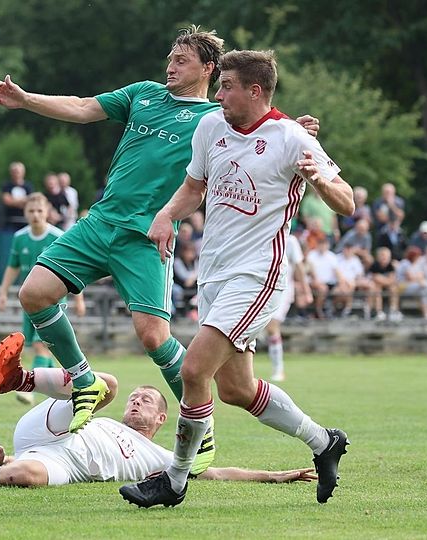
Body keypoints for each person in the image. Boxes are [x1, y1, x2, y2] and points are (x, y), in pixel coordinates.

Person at [0, 26, 321, 444]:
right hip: (100, 222)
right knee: (34, 293)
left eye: (181, 60)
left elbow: (260, 120)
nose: (170, 67)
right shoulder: (142, 94)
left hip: (147, 236)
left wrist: (292, 127)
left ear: (208, 69)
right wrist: (26, 100)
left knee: (154, 337)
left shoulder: (214, 118)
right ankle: (85, 381)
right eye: (170, 59)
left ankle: (201, 432)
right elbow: (83, 106)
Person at [119, 49, 352, 509]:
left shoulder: (290, 137)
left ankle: (175, 480)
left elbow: (346, 201)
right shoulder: (211, 127)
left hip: (257, 274)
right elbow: (194, 187)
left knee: (192, 370)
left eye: (226, 86)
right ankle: (324, 441)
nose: (218, 95)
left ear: (255, 90)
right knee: (236, 391)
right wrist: (166, 215)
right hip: (214, 275)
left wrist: (321, 183)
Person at [0, 365, 316, 489]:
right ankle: (22, 379)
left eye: (147, 401)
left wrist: (277, 475)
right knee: (107, 385)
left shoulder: (165, 458)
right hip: (58, 428)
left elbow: (216, 472)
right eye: (137, 400)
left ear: (162, 420)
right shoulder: (100, 418)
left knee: (22, 476)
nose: (137, 402)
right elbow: (109, 395)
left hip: (60, 462)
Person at [0, 194, 84, 404]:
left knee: (40, 345)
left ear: (47, 212)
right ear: (25, 213)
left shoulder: (57, 236)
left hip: (53, 301)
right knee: (44, 348)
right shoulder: (20, 237)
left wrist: (79, 299)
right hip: (29, 302)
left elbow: (72, 268)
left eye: (39, 211)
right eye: (31, 211)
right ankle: (62, 392)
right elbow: (13, 266)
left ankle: (29, 389)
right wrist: (3, 292)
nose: (35, 215)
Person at [265, 232, 310, 381]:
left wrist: (306, 291)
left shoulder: (291, 241)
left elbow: (299, 267)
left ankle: (278, 369)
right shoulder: (264, 234)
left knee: (272, 326)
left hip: (282, 289)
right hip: (263, 287)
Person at [306, 238, 340, 319]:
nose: (323, 247)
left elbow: (337, 271)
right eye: (321, 244)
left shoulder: (332, 256)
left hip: (330, 283)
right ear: (317, 245)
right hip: (314, 282)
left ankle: (332, 310)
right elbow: (310, 272)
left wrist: (342, 282)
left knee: (342, 290)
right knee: (322, 289)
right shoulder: (311, 255)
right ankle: (319, 311)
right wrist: (317, 281)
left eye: (324, 244)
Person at [368, 247, 401, 321]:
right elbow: (376, 278)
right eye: (382, 255)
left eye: (386, 256)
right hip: (377, 286)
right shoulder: (374, 265)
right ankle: (378, 312)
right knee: (377, 288)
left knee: (394, 288)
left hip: (387, 285)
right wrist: (388, 281)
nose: (384, 258)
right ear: (378, 257)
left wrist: (387, 281)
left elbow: (393, 279)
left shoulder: (392, 265)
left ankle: (393, 311)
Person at [1, 162, 32, 231]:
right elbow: (7, 201)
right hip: (10, 221)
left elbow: (30, 202)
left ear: (23, 172)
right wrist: (23, 201)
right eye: (14, 171)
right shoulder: (7, 185)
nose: (16, 174)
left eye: (18, 171)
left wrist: (13, 200)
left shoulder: (28, 186)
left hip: (25, 221)